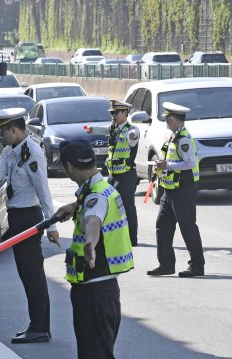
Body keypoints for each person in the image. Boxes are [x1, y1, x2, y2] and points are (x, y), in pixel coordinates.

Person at [0, 108, 60, 344]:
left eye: (4, 131)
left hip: (29, 218)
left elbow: (43, 191)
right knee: (27, 274)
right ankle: (37, 324)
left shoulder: (32, 154)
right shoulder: (12, 151)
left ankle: (40, 328)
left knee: (33, 275)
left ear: (15, 129)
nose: (2, 136)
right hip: (17, 217)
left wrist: (50, 226)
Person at [54, 139, 134, 359]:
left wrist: (90, 243)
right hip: (104, 289)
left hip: (93, 293)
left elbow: (93, 222)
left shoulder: (95, 197)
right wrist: (74, 206)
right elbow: (93, 210)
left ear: (69, 167)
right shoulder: (102, 189)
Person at [147, 102, 205, 277]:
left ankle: (197, 266)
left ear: (172, 119)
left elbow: (190, 163)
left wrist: (168, 165)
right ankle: (166, 264)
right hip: (170, 189)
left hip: (184, 190)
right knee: (162, 226)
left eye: (166, 119)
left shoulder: (184, 138)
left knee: (187, 227)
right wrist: (162, 166)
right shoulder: (173, 136)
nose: (166, 122)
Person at [85, 100, 140, 246]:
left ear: (125, 113)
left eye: (115, 113)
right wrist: (90, 129)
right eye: (111, 113)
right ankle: (113, 235)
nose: (113, 116)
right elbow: (101, 130)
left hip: (126, 175)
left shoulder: (131, 130)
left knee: (128, 206)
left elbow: (133, 136)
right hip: (112, 175)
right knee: (108, 204)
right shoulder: (113, 128)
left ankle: (132, 238)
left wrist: (133, 135)